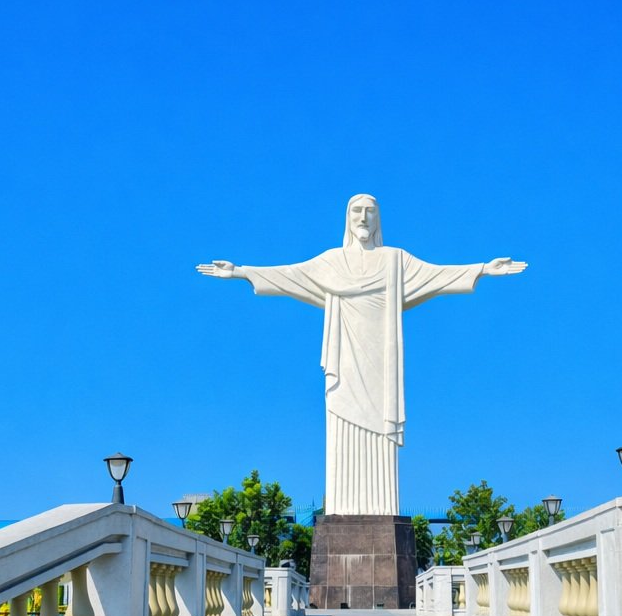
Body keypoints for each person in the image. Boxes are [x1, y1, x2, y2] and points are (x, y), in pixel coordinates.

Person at [198, 195, 526, 514]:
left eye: (370, 211)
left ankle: (382, 507)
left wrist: (483, 269)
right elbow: (289, 274)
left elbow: (436, 275)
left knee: (380, 428)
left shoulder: (396, 261)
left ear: (378, 218)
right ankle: (344, 507)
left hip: (381, 362)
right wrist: (240, 272)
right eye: (357, 211)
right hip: (345, 360)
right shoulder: (331, 262)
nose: (363, 217)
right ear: (348, 217)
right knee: (342, 423)